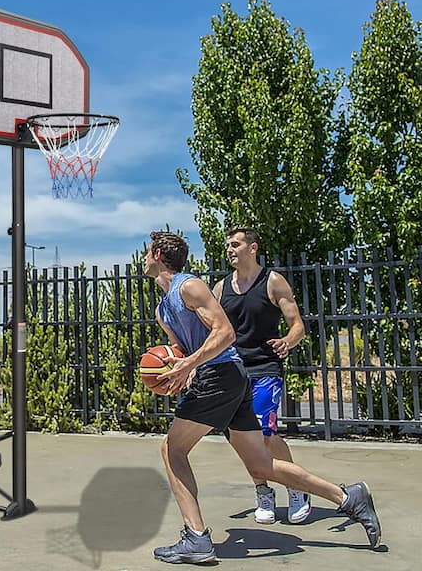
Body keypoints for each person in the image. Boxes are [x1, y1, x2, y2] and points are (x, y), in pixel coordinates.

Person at [144, 230, 381, 565]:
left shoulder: (189, 286)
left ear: (156, 254)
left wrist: (192, 363)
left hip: (221, 375)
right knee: (261, 464)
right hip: (227, 378)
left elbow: (225, 333)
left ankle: (196, 537)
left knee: (172, 449)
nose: (142, 258)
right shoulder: (163, 309)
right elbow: (184, 348)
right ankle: (347, 496)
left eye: (146, 251)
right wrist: (176, 363)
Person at [212, 227, 310, 525]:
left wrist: (287, 342)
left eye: (235, 244)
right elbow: (212, 330)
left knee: (264, 434)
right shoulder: (219, 288)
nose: (230, 249)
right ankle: (263, 491)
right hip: (233, 371)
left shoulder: (273, 281)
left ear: (252, 248)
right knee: (243, 440)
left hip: (265, 368)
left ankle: (297, 488)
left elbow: (298, 326)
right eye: (228, 245)